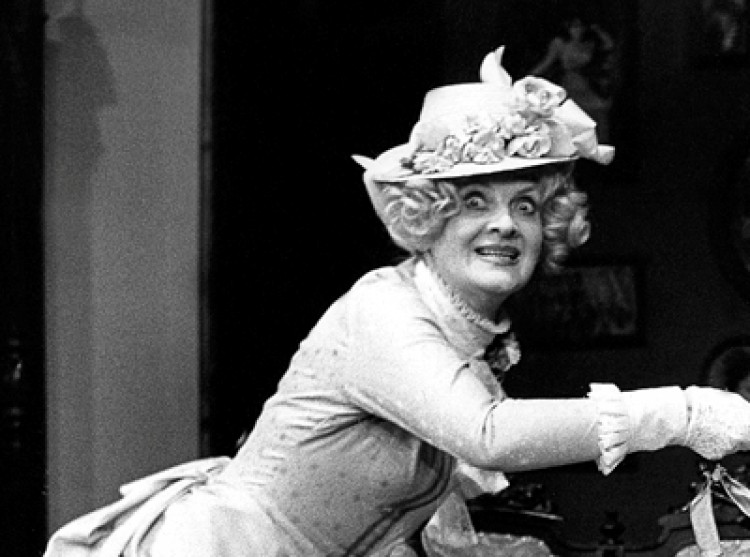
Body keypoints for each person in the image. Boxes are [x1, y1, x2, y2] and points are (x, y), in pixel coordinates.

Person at [45, 46, 750, 557]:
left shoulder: (466, 340)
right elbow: (488, 435)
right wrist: (684, 413)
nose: (506, 225)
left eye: (528, 205)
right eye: (474, 201)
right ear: (427, 216)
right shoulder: (381, 313)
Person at [529, 15, 615, 142]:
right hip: (571, 84)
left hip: (588, 83)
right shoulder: (559, 43)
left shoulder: (588, 44)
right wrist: (530, 76)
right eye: (573, 26)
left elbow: (608, 46)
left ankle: (599, 145)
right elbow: (546, 62)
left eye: (580, 26)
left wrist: (597, 29)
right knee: (573, 118)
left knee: (598, 114)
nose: (577, 30)